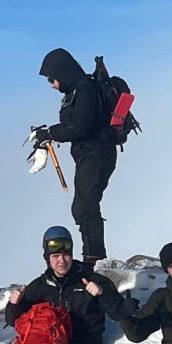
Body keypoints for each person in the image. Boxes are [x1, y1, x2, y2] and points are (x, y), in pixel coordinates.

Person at [36, 47, 122, 264]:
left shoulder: (85, 90)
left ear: (62, 73)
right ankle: (93, 257)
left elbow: (80, 127)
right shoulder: (77, 90)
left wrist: (51, 132)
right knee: (84, 205)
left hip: (96, 154)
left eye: (52, 79)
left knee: (85, 206)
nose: (51, 85)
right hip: (92, 155)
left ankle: (94, 260)